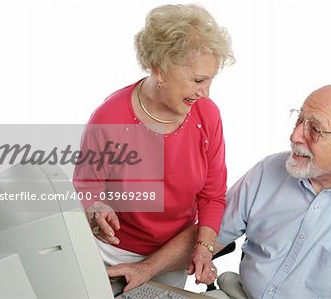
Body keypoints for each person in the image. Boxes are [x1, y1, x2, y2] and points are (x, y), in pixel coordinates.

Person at [73, 3, 234, 292]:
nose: (205, 92)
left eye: (210, 80)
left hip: (169, 256)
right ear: (160, 69)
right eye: (198, 80)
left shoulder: (207, 115)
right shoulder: (110, 118)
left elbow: (213, 195)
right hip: (110, 254)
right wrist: (95, 208)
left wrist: (203, 247)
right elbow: (86, 185)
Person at [204, 84, 331, 299]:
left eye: (315, 129)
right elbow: (206, 239)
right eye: (299, 120)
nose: (295, 136)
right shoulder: (268, 170)